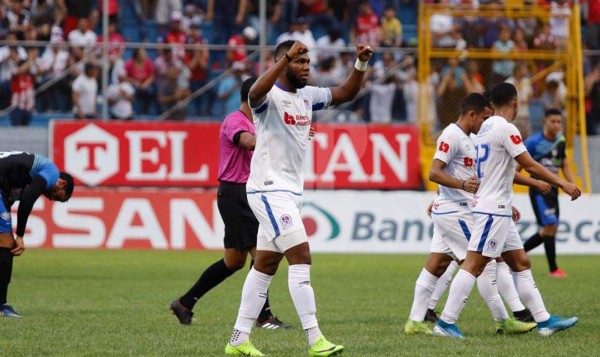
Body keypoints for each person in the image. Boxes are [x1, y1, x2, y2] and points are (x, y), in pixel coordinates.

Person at [224, 39, 373, 357]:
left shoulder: (308, 96)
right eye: (299, 62)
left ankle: (237, 340)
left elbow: (346, 93)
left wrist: (360, 63)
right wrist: (283, 59)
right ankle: (315, 339)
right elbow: (254, 93)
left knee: (264, 266)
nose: (306, 67)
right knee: (302, 256)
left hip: (289, 193)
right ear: (284, 62)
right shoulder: (268, 96)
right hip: (267, 189)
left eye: (308, 62)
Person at [432, 82, 581, 339]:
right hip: (493, 210)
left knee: (520, 262)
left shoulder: (485, 128)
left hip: (496, 207)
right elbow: (529, 164)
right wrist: (563, 183)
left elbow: (503, 170)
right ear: (515, 102)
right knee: (474, 265)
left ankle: (544, 320)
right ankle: (445, 323)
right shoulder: (505, 128)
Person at [404, 93, 538, 336]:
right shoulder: (451, 135)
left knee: (437, 264)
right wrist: (460, 186)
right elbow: (435, 172)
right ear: (472, 114)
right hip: (456, 212)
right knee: (486, 261)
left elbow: (483, 173)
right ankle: (505, 319)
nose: (486, 122)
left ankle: (414, 321)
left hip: (452, 209)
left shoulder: (474, 139)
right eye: (484, 117)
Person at [169, 77, 292, 329]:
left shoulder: (260, 122)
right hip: (236, 193)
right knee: (263, 255)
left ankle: (184, 303)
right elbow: (247, 141)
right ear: (254, 97)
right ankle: (263, 316)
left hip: (248, 193)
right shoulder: (235, 121)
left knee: (234, 261)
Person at [0, 152, 74, 317]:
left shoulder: (23, 177)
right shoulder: (51, 170)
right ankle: (1, 306)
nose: (52, 200)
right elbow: (27, 200)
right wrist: (20, 236)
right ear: (61, 183)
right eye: (58, 197)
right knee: (7, 243)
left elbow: (8, 198)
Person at [521, 109, 575, 277]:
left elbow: (564, 164)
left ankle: (517, 257)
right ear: (545, 121)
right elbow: (517, 167)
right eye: (553, 121)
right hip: (539, 190)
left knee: (551, 228)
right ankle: (552, 269)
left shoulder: (561, 140)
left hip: (554, 190)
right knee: (549, 226)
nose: (557, 125)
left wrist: (571, 183)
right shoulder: (532, 142)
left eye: (560, 122)